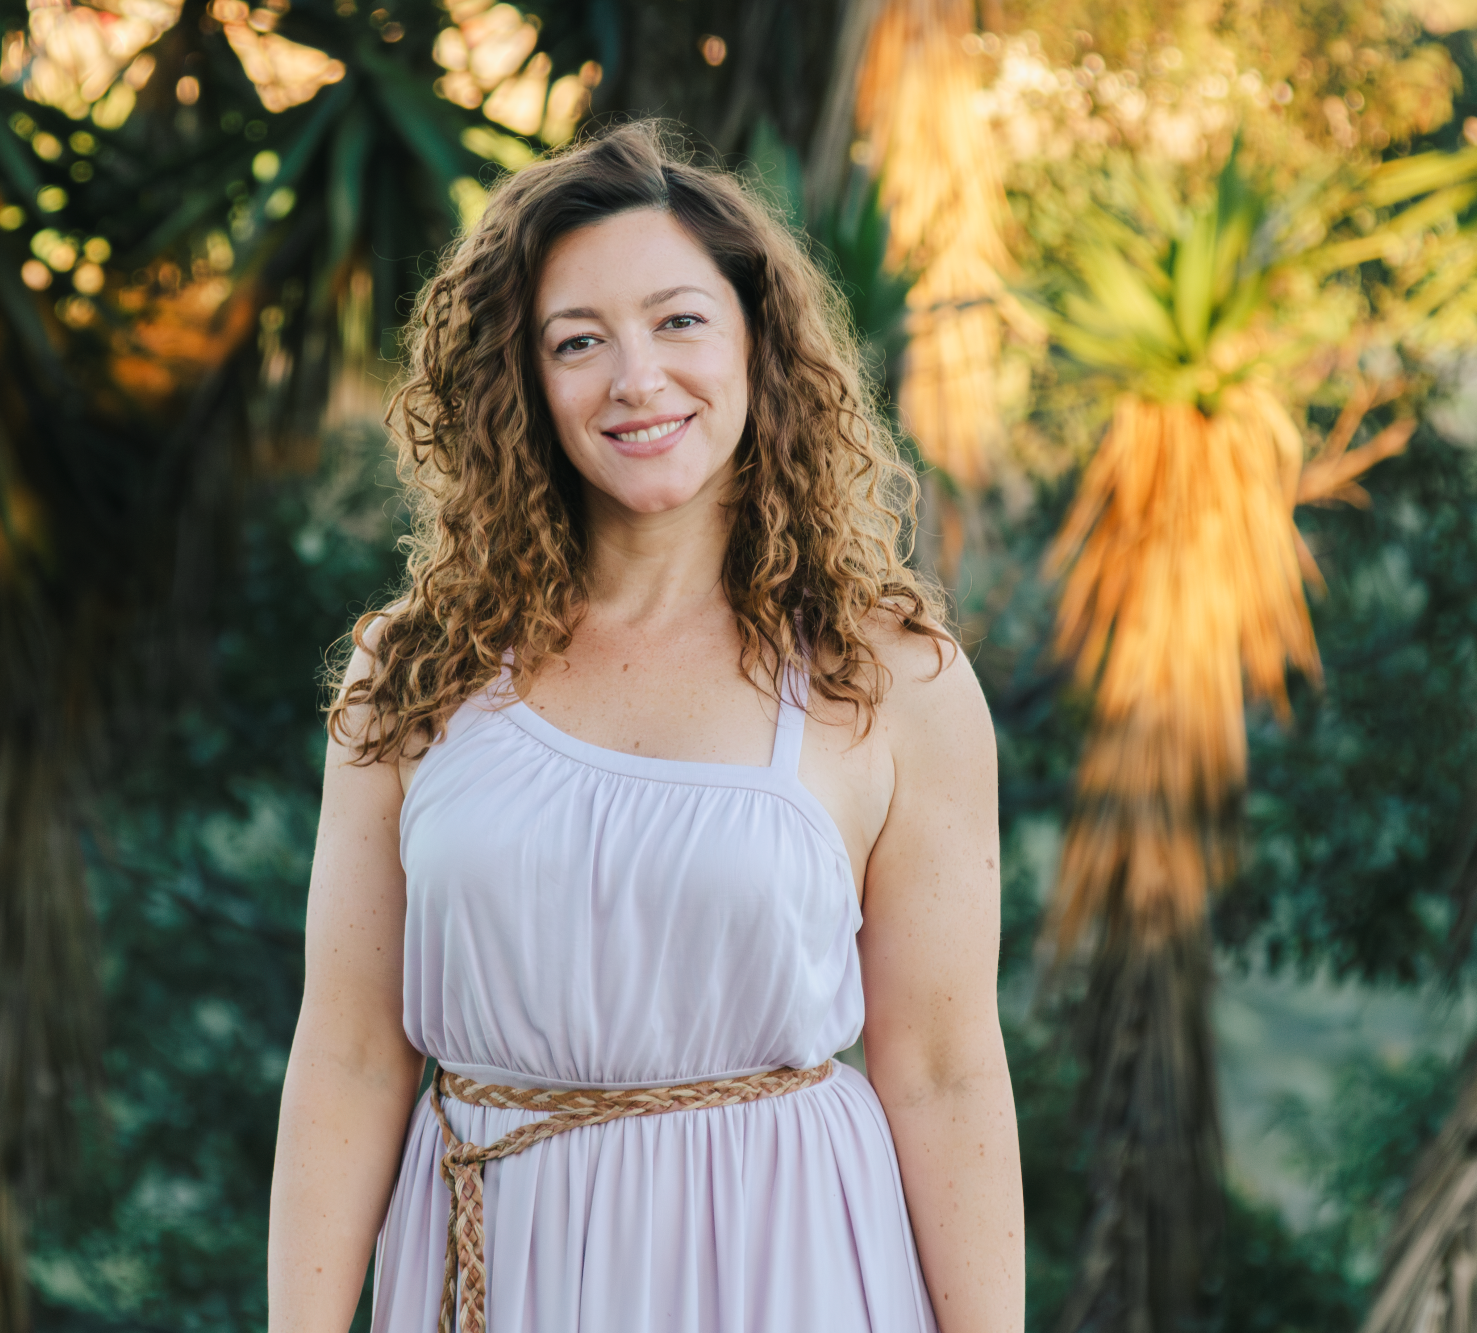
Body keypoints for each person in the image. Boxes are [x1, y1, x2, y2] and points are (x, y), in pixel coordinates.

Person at [267, 121, 1023, 1333]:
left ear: (755, 343)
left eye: (678, 321)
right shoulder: (410, 672)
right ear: (523, 383)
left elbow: (940, 1072)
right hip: (495, 1262)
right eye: (578, 342)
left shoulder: (889, 679)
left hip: (785, 1275)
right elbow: (351, 1056)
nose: (636, 379)